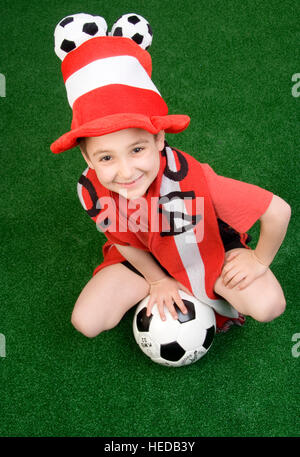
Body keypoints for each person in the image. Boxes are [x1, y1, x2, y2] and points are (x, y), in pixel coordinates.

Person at [51, 13, 291, 338]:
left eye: (137, 150)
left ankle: (200, 285)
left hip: (206, 246)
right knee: (87, 322)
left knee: (268, 304)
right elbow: (121, 239)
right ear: (86, 156)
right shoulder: (91, 188)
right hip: (148, 252)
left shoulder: (195, 180)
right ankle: (166, 284)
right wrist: (157, 280)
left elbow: (278, 210)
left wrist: (259, 261)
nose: (125, 171)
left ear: (159, 139)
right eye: (106, 157)